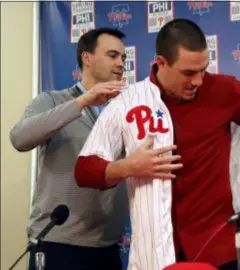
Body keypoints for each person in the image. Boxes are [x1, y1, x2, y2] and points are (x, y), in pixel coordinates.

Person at [74, 20, 240, 270]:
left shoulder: (222, 89)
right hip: (153, 256)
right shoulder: (127, 101)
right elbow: (84, 170)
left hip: (217, 251)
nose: (199, 81)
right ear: (161, 63)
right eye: (188, 73)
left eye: (203, 70)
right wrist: (128, 167)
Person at [10, 27, 176, 270]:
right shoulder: (53, 100)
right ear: (86, 58)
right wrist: (83, 101)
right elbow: (19, 138)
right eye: (112, 55)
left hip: (107, 247)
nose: (121, 63)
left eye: (123, 57)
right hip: (58, 242)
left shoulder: (127, 110)